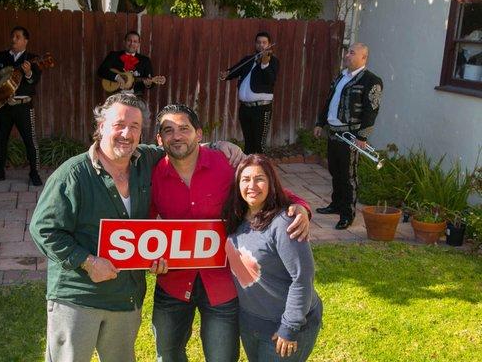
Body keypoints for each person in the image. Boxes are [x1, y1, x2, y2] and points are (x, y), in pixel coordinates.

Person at [29, 94, 243, 362]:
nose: (126, 134)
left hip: (125, 297)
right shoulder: (73, 175)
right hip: (78, 297)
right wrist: (87, 261)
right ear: (100, 127)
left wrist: (220, 145)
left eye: (134, 127)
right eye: (119, 124)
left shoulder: (144, 163)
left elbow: (181, 146)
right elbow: (43, 229)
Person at [150, 104, 312, 362]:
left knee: (222, 358)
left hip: (221, 284)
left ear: (199, 134)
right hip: (173, 283)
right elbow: (144, 227)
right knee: (167, 356)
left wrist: (301, 207)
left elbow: (263, 188)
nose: (177, 136)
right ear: (159, 139)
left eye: (184, 128)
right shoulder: (153, 174)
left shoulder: (225, 164)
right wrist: (149, 258)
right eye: (168, 131)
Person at [224, 154, 323, 362]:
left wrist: (289, 327)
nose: (252, 185)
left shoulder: (283, 223)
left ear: (271, 183)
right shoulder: (236, 217)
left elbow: (303, 277)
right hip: (251, 324)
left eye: (259, 178)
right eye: (245, 179)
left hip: (284, 327)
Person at [313, 43, 383, 230]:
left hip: (351, 135)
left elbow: (372, 110)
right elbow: (329, 101)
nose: (347, 55)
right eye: (347, 52)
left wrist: (363, 136)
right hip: (334, 132)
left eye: (352, 53)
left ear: (363, 57)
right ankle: (336, 204)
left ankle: (348, 213)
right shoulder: (341, 76)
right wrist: (320, 123)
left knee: (348, 175)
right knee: (335, 171)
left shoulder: (371, 80)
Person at [0, 26, 43, 186]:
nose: (13, 40)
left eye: (17, 37)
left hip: (23, 106)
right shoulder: (1, 56)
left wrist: (28, 73)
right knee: (1, 140)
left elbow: (34, 80)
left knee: (30, 140)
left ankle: (34, 173)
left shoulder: (33, 59)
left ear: (25, 41)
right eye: (12, 37)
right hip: (3, 106)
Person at [219, 32, 279, 154]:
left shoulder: (272, 61)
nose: (261, 45)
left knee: (260, 144)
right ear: (255, 44)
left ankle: (263, 170)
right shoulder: (248, 60)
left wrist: (264, 64)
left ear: (269, 45)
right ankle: (249, 170)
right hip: (245, 109)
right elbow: (233, 71)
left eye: (264, 43)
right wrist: (225, 75)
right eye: (258, 42)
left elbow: (270, 79)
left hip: (262, 108)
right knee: (248, 143)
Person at [98, 30, 154, 96]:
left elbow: (151, 83)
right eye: (129, 40)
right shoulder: (113, 55)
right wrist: (117, 77)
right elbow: (101, 71)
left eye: (135, 42)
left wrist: (148, 83)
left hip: (136, 98)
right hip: (116, 96)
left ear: (139, 44)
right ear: (124, 42)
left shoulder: (145, 60)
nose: (131, 44)